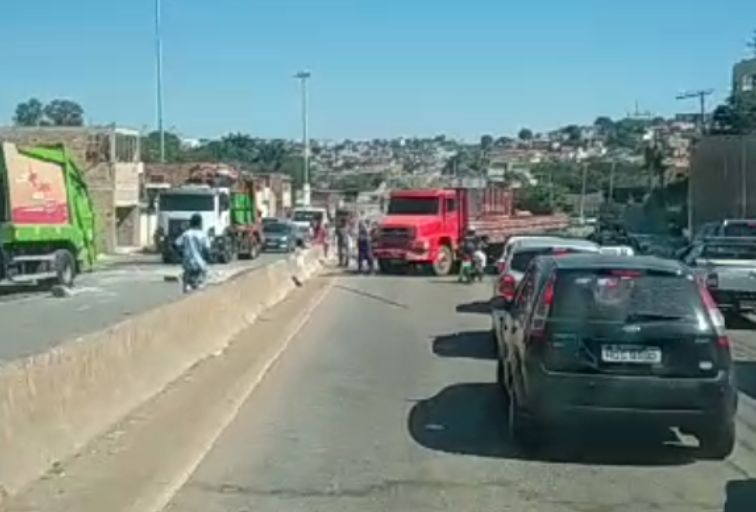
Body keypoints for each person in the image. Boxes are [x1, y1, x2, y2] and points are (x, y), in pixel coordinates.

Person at [174, 213, 211, 293]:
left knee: (186, 279)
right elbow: (207, 250)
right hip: (199, 264)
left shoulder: (186, 234)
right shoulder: (203, 235)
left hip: (187, 263)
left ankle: (187, 287)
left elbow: (175, 244)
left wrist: (181, 254)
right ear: (200, 223)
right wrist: (208, 259)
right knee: (201, 281)